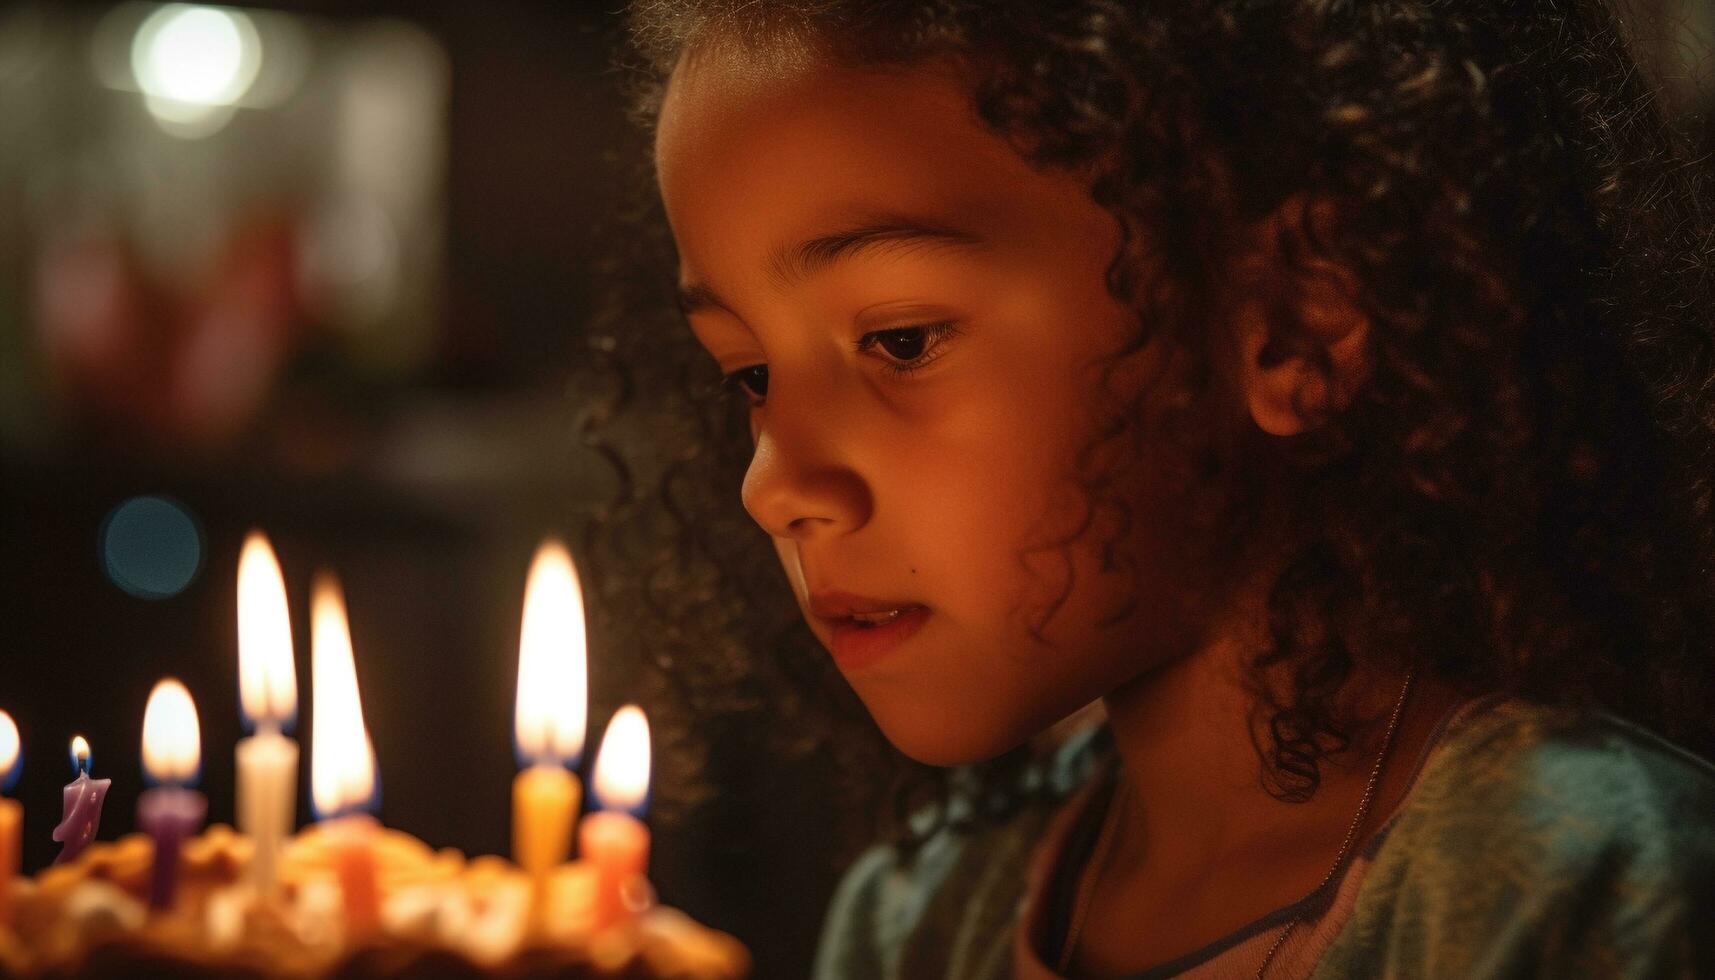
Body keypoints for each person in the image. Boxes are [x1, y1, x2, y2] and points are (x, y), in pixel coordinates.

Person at [614, 0, 1715, 976]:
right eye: (750, 374)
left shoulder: (1590, 884)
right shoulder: (922, 915)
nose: (773, 484)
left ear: (1288, 321)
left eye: (899, 340)